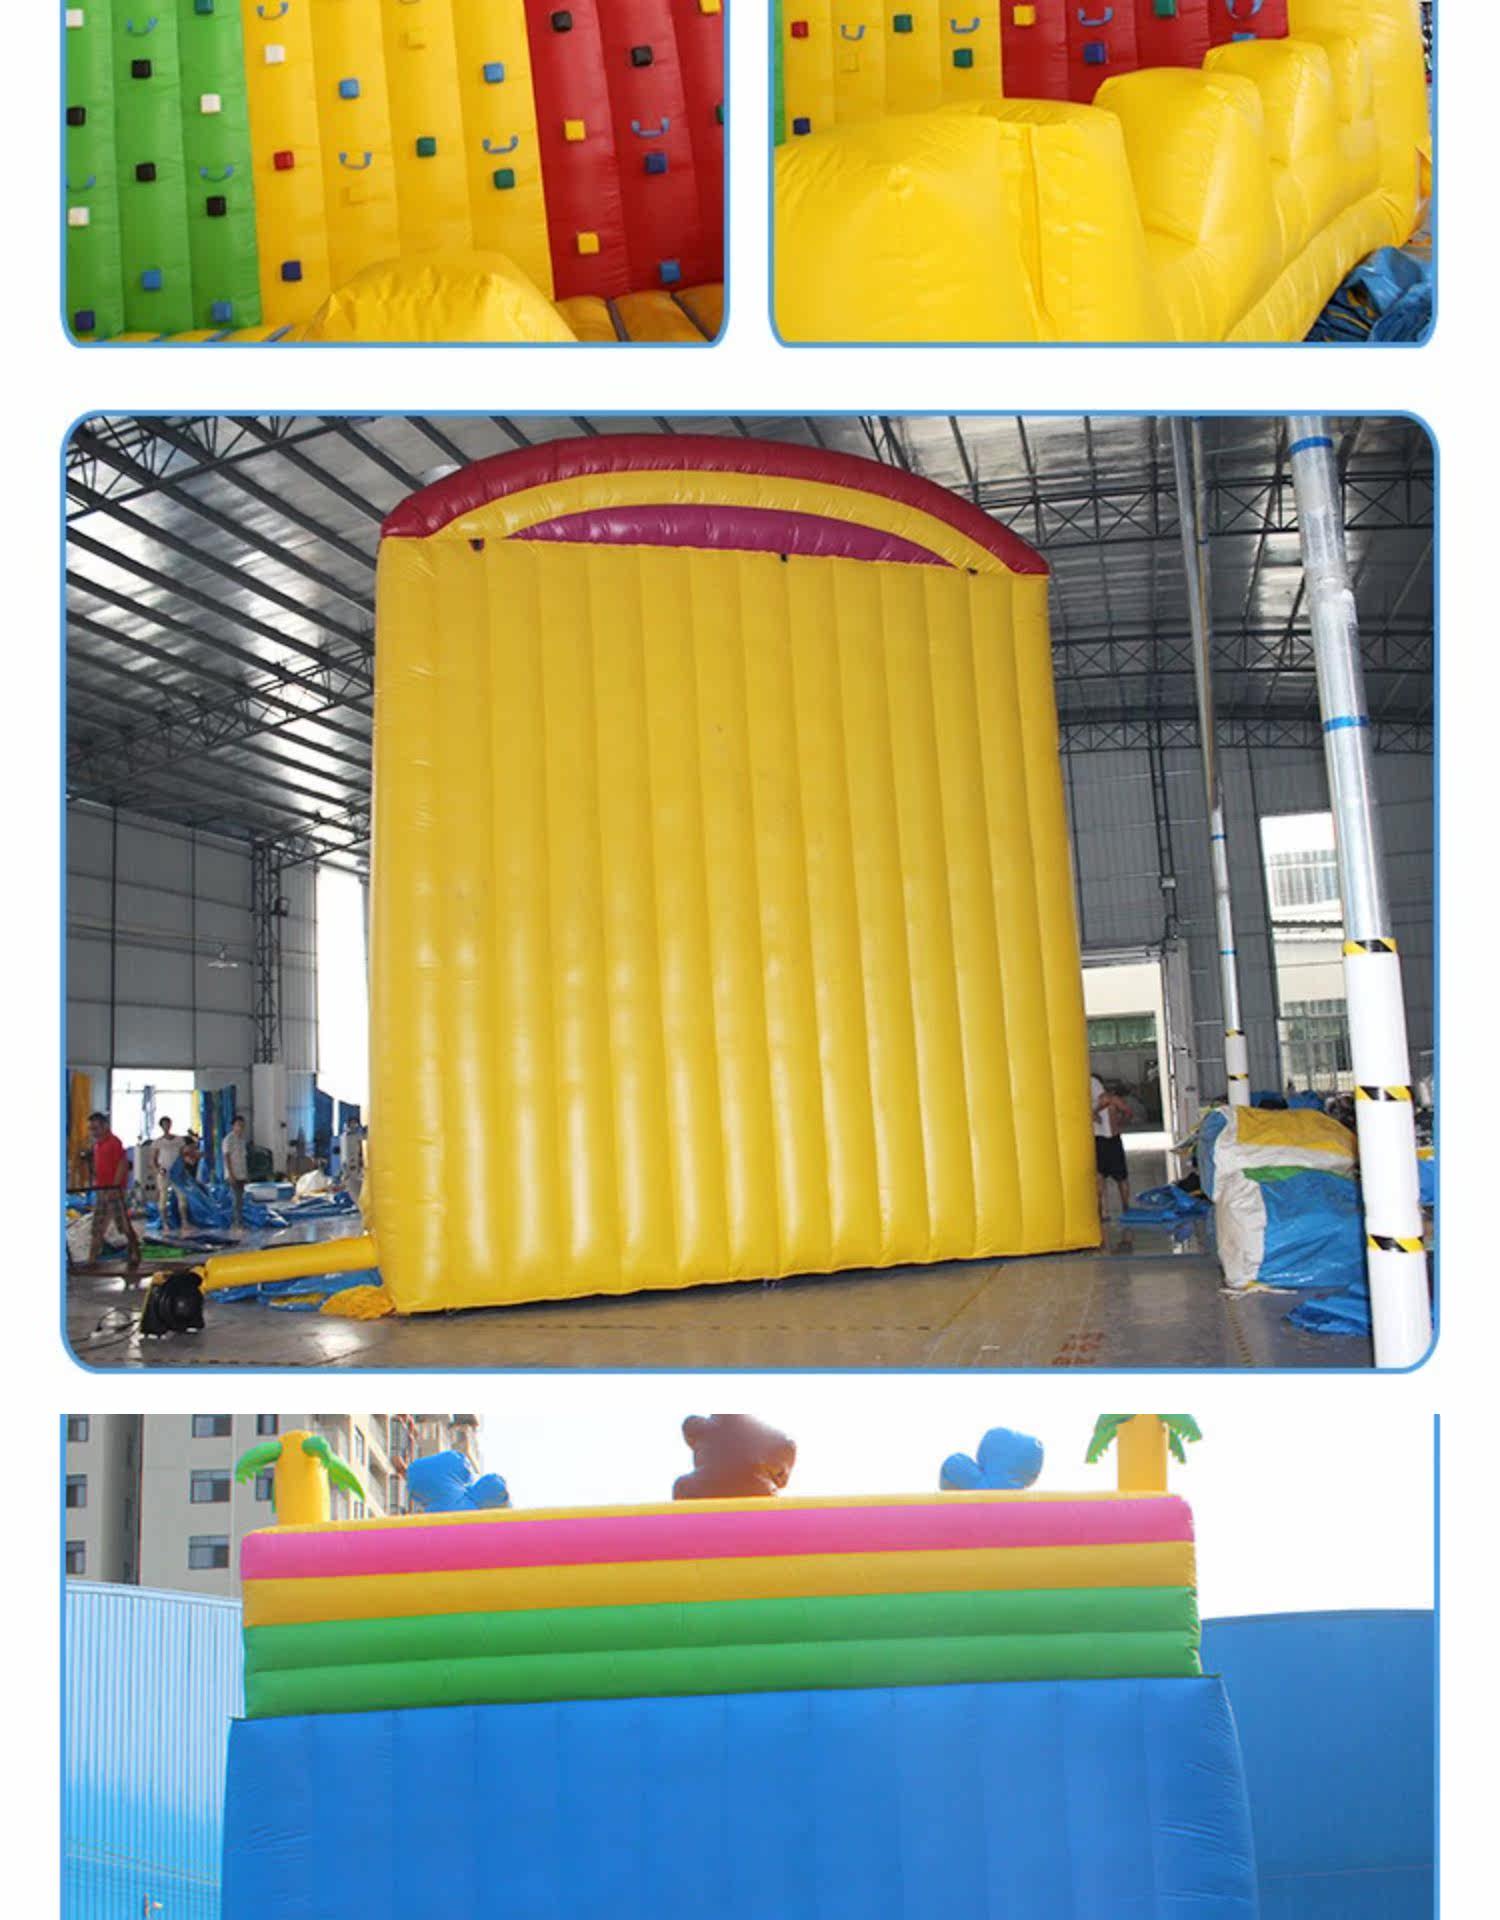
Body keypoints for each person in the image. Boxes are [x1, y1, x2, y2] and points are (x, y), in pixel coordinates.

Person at [84, 1112, 140, 1268]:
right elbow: (98, 1168)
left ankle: (135, 1252)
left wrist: (115, 1187)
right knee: (98, 1225)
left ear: (105, 1126)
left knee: (123, 1225)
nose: (93, 1132)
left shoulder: (114, 1142)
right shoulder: (97, 1145)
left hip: (115, 1190)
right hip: (102, 1190)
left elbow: (123, 1165)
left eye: (95, 1128)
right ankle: (92, 1259)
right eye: (91, 1129)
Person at [1089, 1072, 1132, 1220]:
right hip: (1110, 1140)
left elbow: (1126, 1111)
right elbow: (1128, 1111)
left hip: (1102, 1140)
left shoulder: (1100, 1100)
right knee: (1120, 1177)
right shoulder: (1108, 1100)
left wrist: (1095, 1112)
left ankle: (1102, 1212)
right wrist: (1121, 1122)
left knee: (1101, 1176)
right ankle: (1125, 1208)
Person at [149, 1115, 182, 1233]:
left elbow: (183, 1155)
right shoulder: (157, 1142)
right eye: (164, 1125)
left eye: (168, 1124)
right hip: (164, 1172)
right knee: (163, 1197)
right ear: (161, 1127)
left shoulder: (179, 1140)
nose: (166, 1127)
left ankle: (185, 1222)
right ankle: (164, 1223)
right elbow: (153, 1160)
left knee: (182, 1196)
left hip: (177, 1173)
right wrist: (159, 1170)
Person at [224, 1114, 250, 1231]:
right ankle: (236, 1224)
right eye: (238, 1125)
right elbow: (226, 1157)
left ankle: (239, 1221)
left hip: (241, 1173)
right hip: (233, 1174)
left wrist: (246, 1174)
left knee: (240, 1200)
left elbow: (244, 1159)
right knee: (236, 1199)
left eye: (242, 1126)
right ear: (233, 1126)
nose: (240, 1128)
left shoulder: (242, 1140)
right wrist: (231, 1174)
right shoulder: (228, 1140)